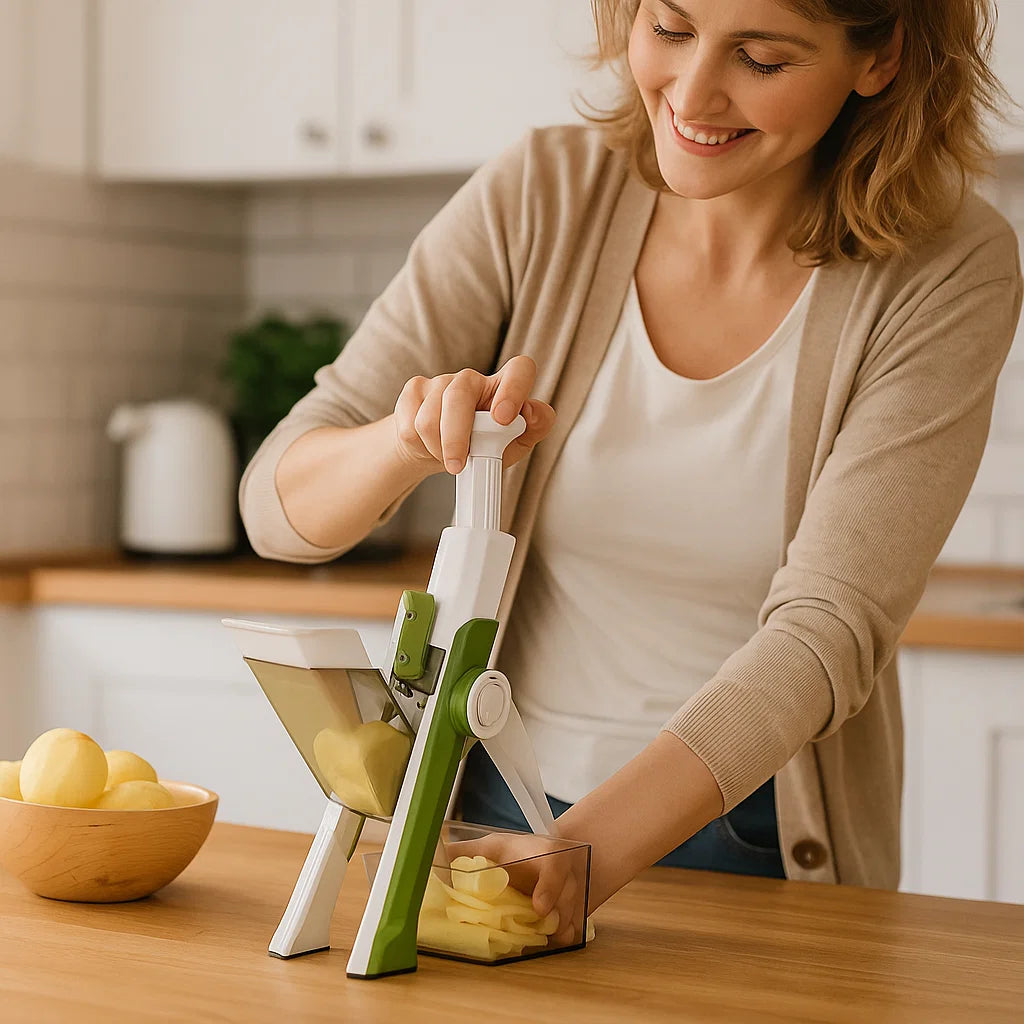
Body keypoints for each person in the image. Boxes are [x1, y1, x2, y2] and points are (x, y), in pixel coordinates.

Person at [240, 0, 1022, 930]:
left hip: (754, 836)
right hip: (485, 806)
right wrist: (404, 442)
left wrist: (587, 849)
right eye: (671, 28)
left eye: (762, 59)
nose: (692, 93)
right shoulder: (542, 191)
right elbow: (278, 511)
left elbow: (826, 631)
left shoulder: (947, 264)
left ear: (880, 56)